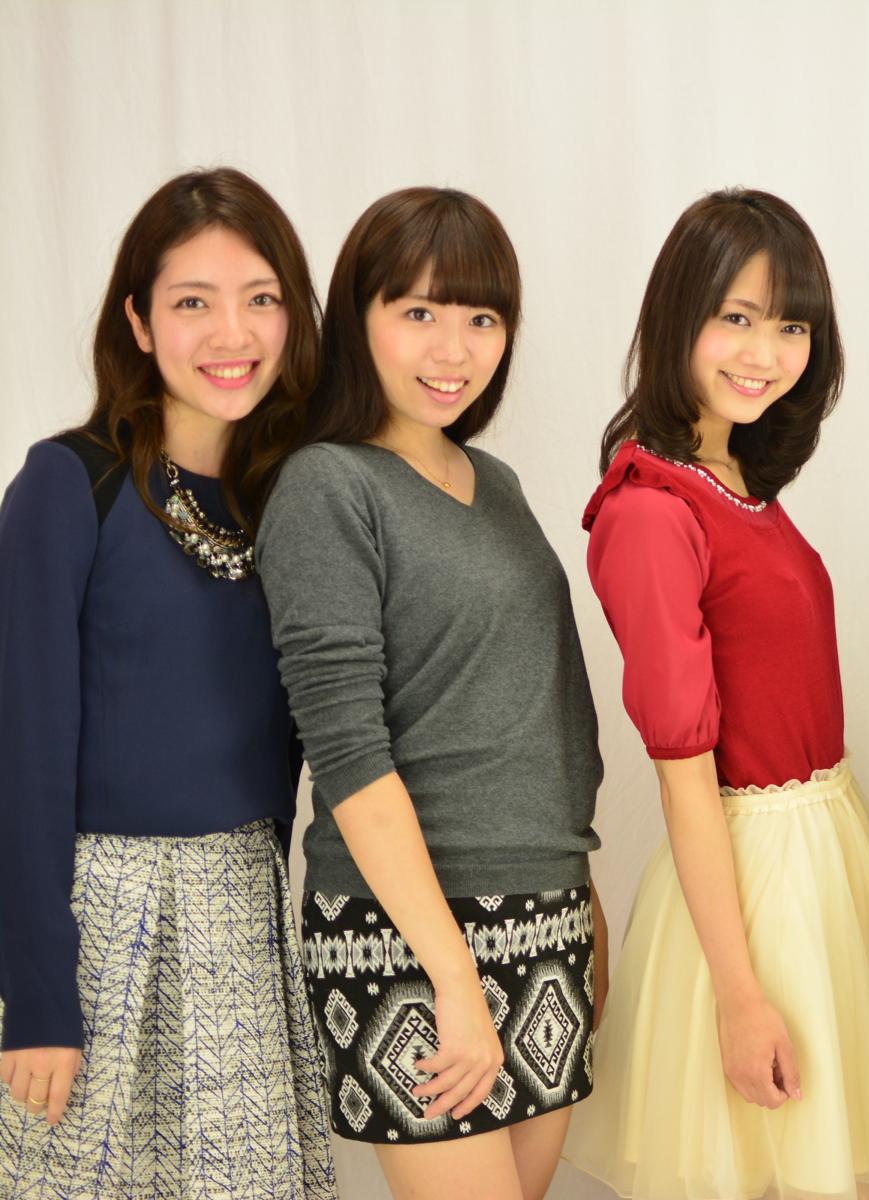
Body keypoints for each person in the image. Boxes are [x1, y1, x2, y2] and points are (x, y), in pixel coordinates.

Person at [563, 187, 869, 1200]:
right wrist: (740, 997)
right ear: (677, 319)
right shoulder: (652, 511)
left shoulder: (733, 479)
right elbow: (682, 772)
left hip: (824, 855)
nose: (766, 352)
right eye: (736, 318)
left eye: (791, 326)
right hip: (750, 881)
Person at [256, 187, 605, 1200]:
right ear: (356, 319)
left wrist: (583, 899)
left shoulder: (495, 482)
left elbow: (545, 703)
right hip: (404, 930)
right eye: (418, 312)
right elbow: (347, 752)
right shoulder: (328, 486)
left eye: (481, 318)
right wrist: (452, 974)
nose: (454, 349)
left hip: (545, 912)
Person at [0, 167, 335, 1198]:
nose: (232, 332)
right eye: (194, 302)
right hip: (97, 920)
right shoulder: (68, 483)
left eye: (261, 298)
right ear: (139, 322)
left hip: (244, 912)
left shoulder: (293, 499)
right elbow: (20, 751)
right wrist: (38, 998)